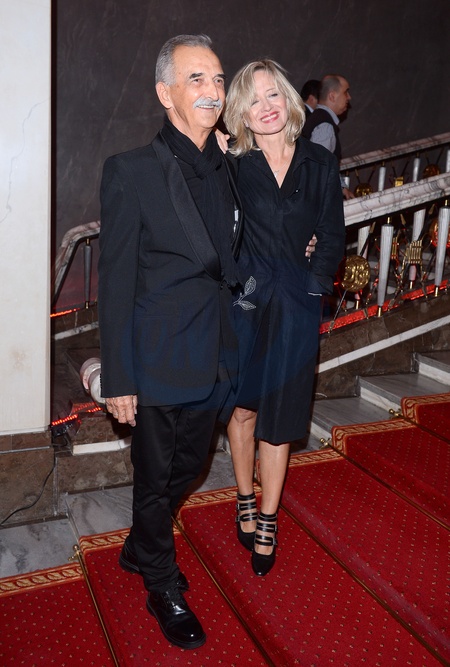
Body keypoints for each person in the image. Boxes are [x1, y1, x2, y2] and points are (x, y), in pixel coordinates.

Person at [97, 34, 244, 650]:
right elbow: (115, 281)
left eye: (218, 79)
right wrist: (119, 376)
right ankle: (161, 583)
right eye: (196, 80)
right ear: (165, 94)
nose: (212, 90)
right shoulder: (131, 170)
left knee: (191, 465)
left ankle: (140, 544)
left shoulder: (233, 166)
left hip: (217, 350)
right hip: (157, 353)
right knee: (156, 478)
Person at [222, 60, 345, 577]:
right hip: (245, 306)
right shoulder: (232, 164)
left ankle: (268, 518)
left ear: (289, 99)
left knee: (281, 417)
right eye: (253, 100)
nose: (266, 106)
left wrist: (313, 285)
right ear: (241, 113)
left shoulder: (319, 162)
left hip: (295, 306)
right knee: (243, 411)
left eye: (273, 94)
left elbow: (331, 235)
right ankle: (244, 496)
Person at [302, 74, 354, 199]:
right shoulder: (324, 125)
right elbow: (319, 167)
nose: (349, 97)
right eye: (346, 92)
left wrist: (342, 187)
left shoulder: (317, 118)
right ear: (332, 96)